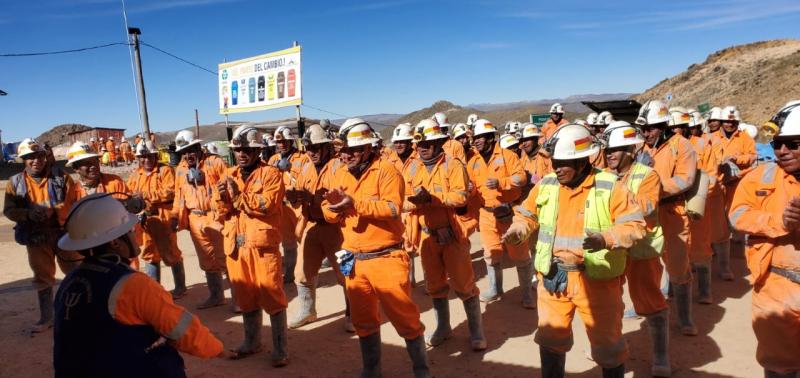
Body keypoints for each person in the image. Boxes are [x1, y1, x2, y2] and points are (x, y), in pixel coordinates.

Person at [503, 123, 645, 378]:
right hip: (553, 277)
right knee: (549, 340)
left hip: (596, 280)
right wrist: (519, 229)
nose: (556, 168)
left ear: (582, 161)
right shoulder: (546, 184)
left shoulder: (611, 186)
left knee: (608, 345)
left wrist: (606, 238)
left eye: (563, 163)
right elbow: (526, 215)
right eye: (555, 162)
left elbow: (635, 226)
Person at [54, 193, 230, 377]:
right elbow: (180, 328)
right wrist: (217, 349)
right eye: (129, 231)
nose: (135, 234)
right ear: (115, 242)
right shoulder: (134, 285)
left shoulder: (71, 281)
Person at [322, 118, 429, 378]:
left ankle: (421, 370)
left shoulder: (387, 171)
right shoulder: (340, 172)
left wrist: (354, 204)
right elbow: (327, 210)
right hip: (354, 260)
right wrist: (333, 210)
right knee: (364, 321)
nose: (347, 155)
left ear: (369, 148)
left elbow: (393, 208)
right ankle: (372, 371)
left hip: (386, 257)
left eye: (353, 149)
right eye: (344, 150)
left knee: (405, 319)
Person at [728, 101, 800, 378]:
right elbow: (738, 215)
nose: (782, 151)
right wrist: (779, 222)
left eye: (793, 144)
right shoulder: (762, 176)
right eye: (778, 143)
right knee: (777, 364)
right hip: (774, 285)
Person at [403, 119, 487, 351]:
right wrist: (414, 202)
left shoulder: (453, 165)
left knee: (464, 284)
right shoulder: (411, 167)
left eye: (429, 143)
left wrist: (433, 199)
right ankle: (444, 327)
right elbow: (401, 198)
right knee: (435, 285)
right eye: (420, 144)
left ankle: (476, 331)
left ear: (440, 142)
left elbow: (461, 196)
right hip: (427, 237)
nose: (424, 148)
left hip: (453, 235)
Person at [215, 125, 289, 366]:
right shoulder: (228, 174)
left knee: (271, 294)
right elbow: (221, 211)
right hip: (236, 247)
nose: (242, 154)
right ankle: (252, 342)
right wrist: (223, 199)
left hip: (261, 247)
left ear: (258, 151)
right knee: (244, 295)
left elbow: (267, 204)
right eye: (238, 149)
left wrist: (238, 197)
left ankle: (280, 348)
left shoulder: (271, 174)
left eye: (247, 149)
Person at [603, 122, 671, 376]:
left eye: (616, 149)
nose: (609, 154)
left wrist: (616, 196)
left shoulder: (647, 175)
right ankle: (612, 352)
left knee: (651, 303)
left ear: (631, 150)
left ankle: (661, 357)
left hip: (641, 249)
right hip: (612, 247)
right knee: (608, 303)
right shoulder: (604, 175)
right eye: (607, 149)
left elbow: (647, 208)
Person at [4, 139, 82, 334]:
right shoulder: (14, 183)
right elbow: (9, 210)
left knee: (76, 274)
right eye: (30, 157)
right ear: (23, 160)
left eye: (39, 156)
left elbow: (73, 203)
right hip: (36, 238)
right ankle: (46, 318)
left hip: (64, 234)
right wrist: (28, 214)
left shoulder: (62, 177)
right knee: (43, 277)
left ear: (45, 157)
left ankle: (81, 314)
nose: (36, 161)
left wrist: (53, 211)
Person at [638, 100, 698, 336]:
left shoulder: (681, 146)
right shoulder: (642, 148)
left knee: (678, 267)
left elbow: (685, 179)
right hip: (648, 215)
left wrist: (655, 187)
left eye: (650, 128)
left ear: (663, 125)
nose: (645, 133)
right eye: (643, 129)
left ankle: (685, 318)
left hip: (672, 212)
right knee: (646, 264)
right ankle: (645, 306)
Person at [288, 125, 352, 331]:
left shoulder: (339, 167)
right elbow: (300, 194)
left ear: (326, 147)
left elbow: (340, 198)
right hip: (312, 225)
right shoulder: (306, 167)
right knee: (302, 273)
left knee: (348, 273)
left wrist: (313, 198)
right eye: (308, 148)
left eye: (316, 148)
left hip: (338, 230)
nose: (312, 152)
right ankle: (308, 311)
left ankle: (354, 314)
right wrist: (294, 198)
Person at [466, 119, 534, 308]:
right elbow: (472, 190)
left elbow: (521, 178)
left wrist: (501, 182)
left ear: (489, 138)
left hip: (509, 212)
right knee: (491, 253)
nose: (477, 141)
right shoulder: (473, 163)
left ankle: (527, 293)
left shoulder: (508, 156)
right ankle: (495, 289)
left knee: (520, 254)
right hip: (486, 214)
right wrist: (470, 189)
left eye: (480, 137)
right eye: (475, 138)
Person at [171, 130, 229, 309]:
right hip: (195, 218)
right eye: (184, 152)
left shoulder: (215, 162)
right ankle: (216, 296)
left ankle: (240, 300)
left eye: (191, 150)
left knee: (226, 257)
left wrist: (223, 189)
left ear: (198, 147)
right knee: (207, 261)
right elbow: (178, 196)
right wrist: (175, 216)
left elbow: (230, 183)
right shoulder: (180, 170)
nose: (188, 155)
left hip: (216, 216)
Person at [127, 140, 186, 298]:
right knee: (149, 253)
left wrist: (146, 196)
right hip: (145, 220)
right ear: (139, 158)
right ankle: (155, 290)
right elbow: (130, 195)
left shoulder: (165, 171)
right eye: (143, 157)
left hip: (163, 217)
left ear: (155, 156)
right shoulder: (135, 175)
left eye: (150, 156)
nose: (147, 160)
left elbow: (170, 191)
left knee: (170, 251)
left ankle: (180, 287)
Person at [715, 105, 757, 280]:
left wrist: (736, 159)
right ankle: (724, 266)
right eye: (726, 121)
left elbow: (752, 156)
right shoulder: (713, 138)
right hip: (718, 186)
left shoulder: (745, 138)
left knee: (739, 221)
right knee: (720, 226)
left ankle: (745, 259)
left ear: (737, 122)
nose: (729, 124)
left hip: (738, 185)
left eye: (732, 122)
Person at [682, 109, 719, 304]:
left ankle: (705, 290)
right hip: (675, 207)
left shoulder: (703, 145)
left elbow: (711, 176)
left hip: (698, 203)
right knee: (675, 250)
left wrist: (699, 197)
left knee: (701, 247)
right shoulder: (670, 147)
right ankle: (673, 288)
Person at [268, 126, 310, 284]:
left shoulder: (303, 158)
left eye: (285, 141)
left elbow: (308, 180)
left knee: (304, 239)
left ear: (291, 141)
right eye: (279, 142)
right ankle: (291, 272)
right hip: (282, 206)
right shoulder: (273, 160)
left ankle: (307, 273)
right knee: (287, 242)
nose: (282, 144)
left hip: (298, 205)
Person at [518, 123, 552, 201]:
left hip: (544, 201)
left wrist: (535, 180)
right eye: (522, 140)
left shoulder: (546, 158)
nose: (524, 144)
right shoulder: (522, 161)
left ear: (535, 139)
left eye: (527, 139)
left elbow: (554, 182)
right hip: (526, 202)